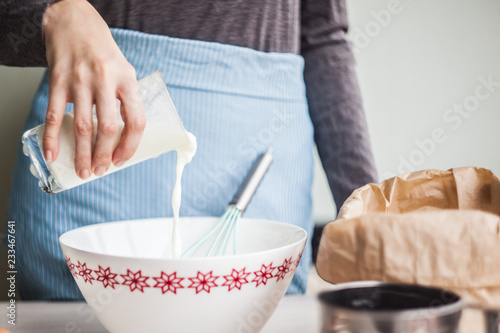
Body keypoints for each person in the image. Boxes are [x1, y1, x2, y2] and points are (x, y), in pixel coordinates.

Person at [0, 0, 378, 299]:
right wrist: (51, 16)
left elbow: (324, 39)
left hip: (259, 165)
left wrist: (373, 225)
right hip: (89, 165)